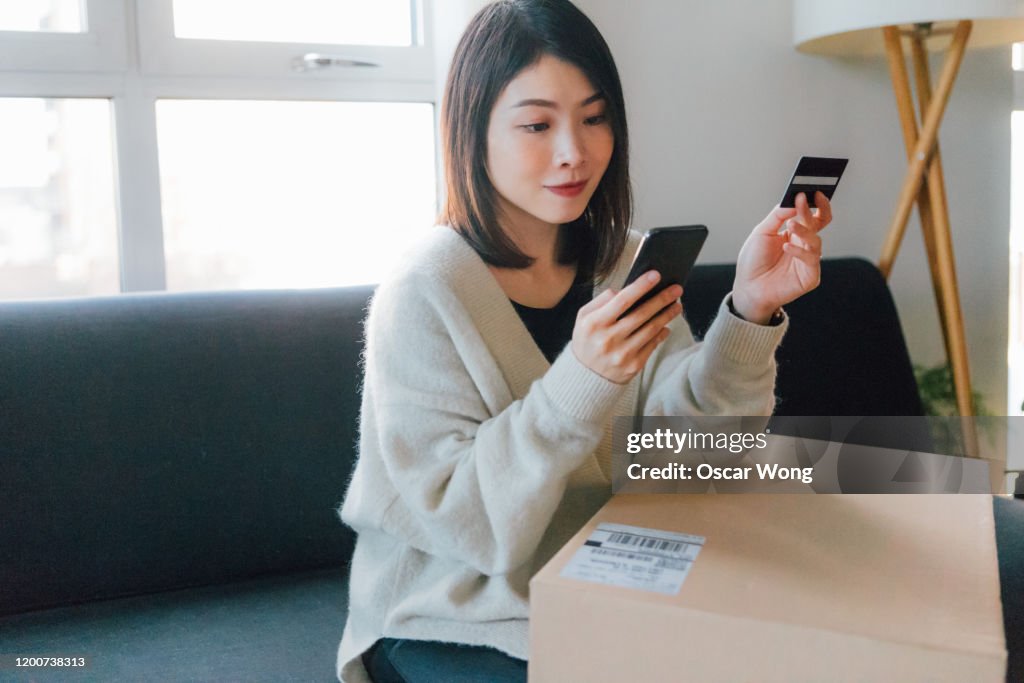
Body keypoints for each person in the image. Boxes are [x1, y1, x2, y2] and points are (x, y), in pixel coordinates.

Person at [335, 1, 832, 681]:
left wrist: (748, 312)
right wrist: (581, 381)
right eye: (537, 124)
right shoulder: (424, 292)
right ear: (471, 132)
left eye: (595, 118)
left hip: (606, 577)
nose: (575, 151)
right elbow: (463, 528)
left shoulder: (621, 264)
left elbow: (690, 460)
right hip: (452, 612)